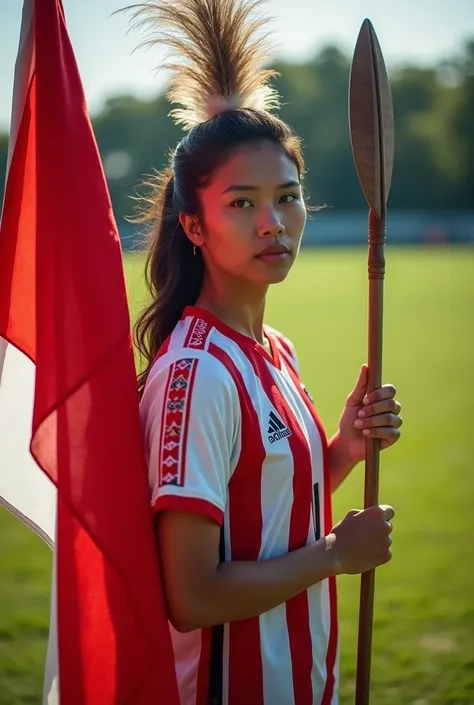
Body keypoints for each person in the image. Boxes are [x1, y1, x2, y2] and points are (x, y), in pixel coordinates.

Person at [131, 1, 403, 703]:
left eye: (287, 197)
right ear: (193, 224)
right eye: (242, 203)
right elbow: (191, 594)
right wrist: (337, 554)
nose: (273, 223)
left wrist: (341, 447)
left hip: (302, 680)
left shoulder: (272, 350)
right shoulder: (198, 373)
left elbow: (266, 509)